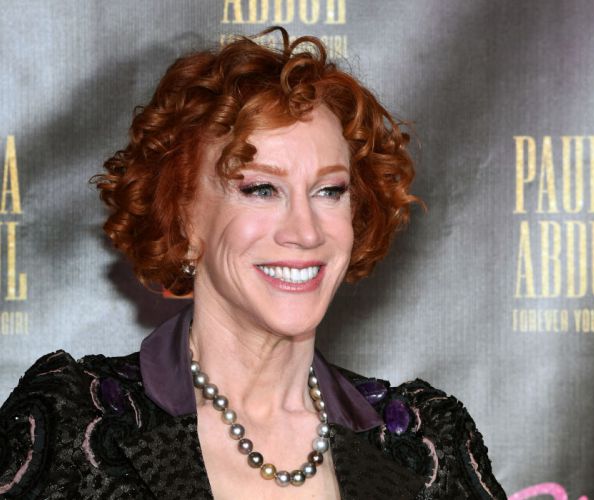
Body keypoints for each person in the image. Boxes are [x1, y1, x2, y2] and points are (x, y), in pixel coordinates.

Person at [0, 27, 505, 499]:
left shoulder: (426, 443)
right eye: (262, 189)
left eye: (330, 190)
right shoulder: (73, 427)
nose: (306, 231)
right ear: (182, 218)